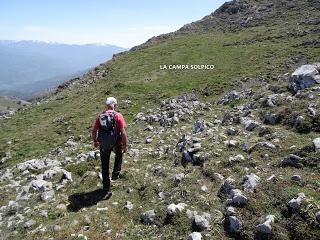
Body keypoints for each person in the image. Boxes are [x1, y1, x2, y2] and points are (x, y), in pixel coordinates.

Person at [92, 97, 128, 194]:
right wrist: (125, 145)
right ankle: (115, 174)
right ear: (114, 105)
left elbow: (94, 130)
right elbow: (123, 132)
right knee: (119, 155)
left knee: (104, 165)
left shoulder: (100, 116)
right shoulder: (118, 115)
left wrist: (95, 141)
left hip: (103, 144)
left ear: (107, 105)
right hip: (116, 142)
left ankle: (106, 187)